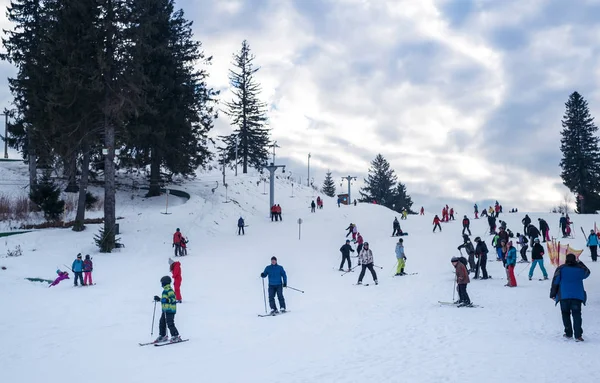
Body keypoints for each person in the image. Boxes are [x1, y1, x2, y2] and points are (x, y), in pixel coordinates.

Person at [550, 253, 591, 341]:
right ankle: (578, 335)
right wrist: (580, 263)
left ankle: (568, 333)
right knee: (577, 315)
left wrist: (553, 294)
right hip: (577, 296)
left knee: (565, 314)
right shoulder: (580, 269)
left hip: (564, 296)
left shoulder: (561, 268)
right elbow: (587, 272)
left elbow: (555, 282)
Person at [153, 276, 181, 343]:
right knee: (162, 322)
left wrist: (165, 300)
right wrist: (159, 299)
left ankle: (175, 336)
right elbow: (164, 300)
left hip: (170, 310)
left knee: (170, 323)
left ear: (165, 283)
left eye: (162, 283)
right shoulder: (165, 291)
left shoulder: (169, 290)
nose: (161, 284)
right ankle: (163, 335)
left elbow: (173, 299)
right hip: (165, 310)